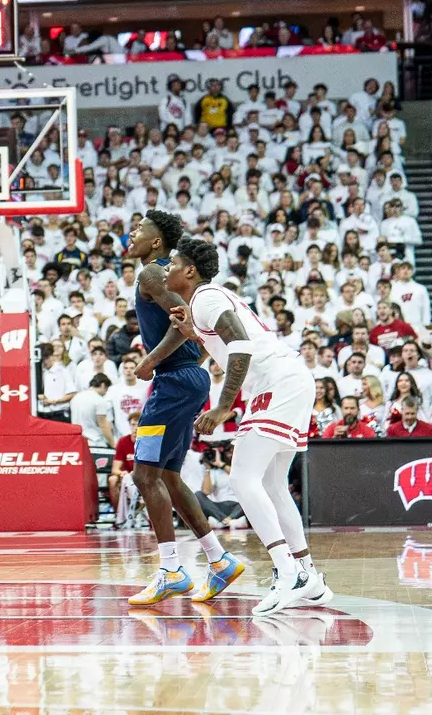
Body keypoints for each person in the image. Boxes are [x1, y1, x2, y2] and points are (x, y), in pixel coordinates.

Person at [163, 237, 331, 616]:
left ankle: (288, 572)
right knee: (271, 484)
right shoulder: (203, 303)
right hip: (286, 378)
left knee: (242, 480)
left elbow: (240, 345)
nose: (167, 268)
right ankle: (308, 574)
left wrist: (224, 406)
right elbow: (227, 343)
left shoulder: (206, 296)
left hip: (276, 381)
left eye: (173, 262)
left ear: (190, 270)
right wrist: (194, 334)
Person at [127, 210, 245, 606]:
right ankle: (219, 559)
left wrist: (151, 361)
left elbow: (184, 324)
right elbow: (189, 327)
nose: (132, 234)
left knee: (145, 477)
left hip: (174, 381)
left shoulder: (151, 273)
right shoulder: (161, 273)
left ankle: (171, 570)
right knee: (170, 479)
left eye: (139, 230)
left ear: (157, 242)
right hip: (187, 379)